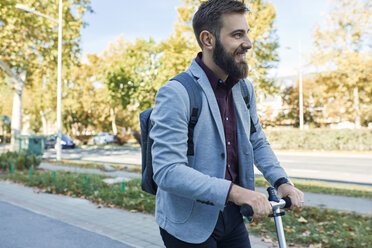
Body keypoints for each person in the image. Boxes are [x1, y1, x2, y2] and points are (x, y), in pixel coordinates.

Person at [150, 0, 304, 247]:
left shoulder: (244, 89)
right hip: (189, 224)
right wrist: (238, 193)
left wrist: (281, 181)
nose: (248, 43)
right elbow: (167, 171)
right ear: (208, 40)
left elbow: (257, 140)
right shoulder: (177, 92)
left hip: (232, 218)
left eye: (247, 33)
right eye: (237, 35)